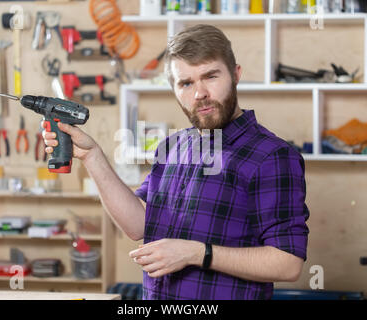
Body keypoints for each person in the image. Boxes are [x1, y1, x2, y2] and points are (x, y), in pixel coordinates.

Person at [43, 24, 310, 300]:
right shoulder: (172, 147)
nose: (200, 93)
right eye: (186, 83)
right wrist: (92, 155)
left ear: (235, 75)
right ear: (174, 88)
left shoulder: (272, 156)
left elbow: (288, 263)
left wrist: (196, 253)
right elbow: (138, 225)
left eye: (210, 76)